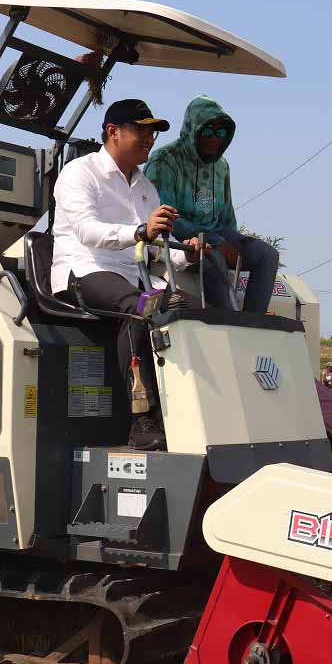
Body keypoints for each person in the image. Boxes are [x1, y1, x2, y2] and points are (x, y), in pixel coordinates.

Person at [51, 98, 222, 451]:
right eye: (141, 130)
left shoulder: (145, 186)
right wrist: (142, 231)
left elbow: (157, 249)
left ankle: (193, 411)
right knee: (141, 307)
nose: (149, 139)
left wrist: (187, 253)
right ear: (113, 132)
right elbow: (87, 231)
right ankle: (141, 421)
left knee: (191, 313)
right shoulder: (79, 173)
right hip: (84, 271)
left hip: (134, 275)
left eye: (152, 133)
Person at [145, 95, 280, 313]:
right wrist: (217, 243)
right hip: (180, 238)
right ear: (192, 131)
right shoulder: (164, 161)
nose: (214, 139)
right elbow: (166, 217)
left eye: (221, 133)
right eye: (207, 132)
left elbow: (226, 216)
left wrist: (235, 244)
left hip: (216, 233)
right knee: (214, 257)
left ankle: (254, 321)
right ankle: (225, 321)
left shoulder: (222, 166)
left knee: (267, 255)